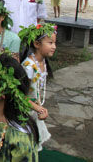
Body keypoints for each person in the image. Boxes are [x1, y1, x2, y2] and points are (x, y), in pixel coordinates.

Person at [19, 23, 56, 151]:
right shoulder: (29, 67)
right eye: (50, 43)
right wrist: (38, 108)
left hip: (33, 108)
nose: (54, 47)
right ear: (36, 44)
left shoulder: (42, 62)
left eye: (54, 43)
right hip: (25, 111)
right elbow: (20, 96)